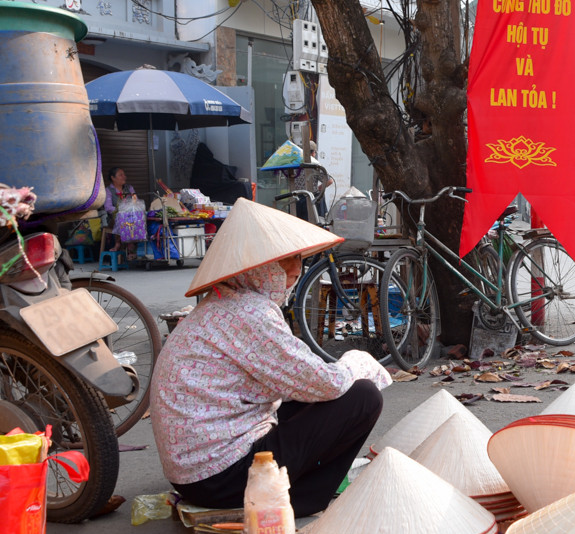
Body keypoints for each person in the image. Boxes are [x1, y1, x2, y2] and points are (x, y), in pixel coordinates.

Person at [149, 198, 390, 516]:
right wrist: (359, 362)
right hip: (219, 478)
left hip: (196, 473)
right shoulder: (250, 312)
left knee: (309, 398)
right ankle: (303, 498)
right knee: (362, 397)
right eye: (283, 261)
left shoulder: (223, 301)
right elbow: (328, 384)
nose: (294, 271)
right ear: (255, 266)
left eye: (297, 259)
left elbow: (301, 381)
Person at [102, 166, 137, 251]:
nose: (124, 176)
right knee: (121, 217)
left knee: (138, 219)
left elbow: (135, 202)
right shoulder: (108, 190)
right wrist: (121, 211)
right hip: (113, 219)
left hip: (130, 216)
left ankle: (132, 246)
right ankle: (124, 245)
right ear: (113, 178)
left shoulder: (129, 188)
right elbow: (108, 207)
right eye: (120, 175)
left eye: (124, 174)